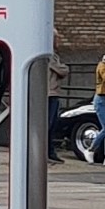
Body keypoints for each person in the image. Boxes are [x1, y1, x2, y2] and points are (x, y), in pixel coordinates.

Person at [46, 31, 68, 163]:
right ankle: (48, 152)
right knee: (48, 124)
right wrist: (64, 68)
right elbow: (62, 70)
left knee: (52, 124)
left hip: (53, 92)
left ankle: (50, 151)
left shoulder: (53, 55)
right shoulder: (50, 56)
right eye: (56, 38)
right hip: (49, 93)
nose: (58, 40)